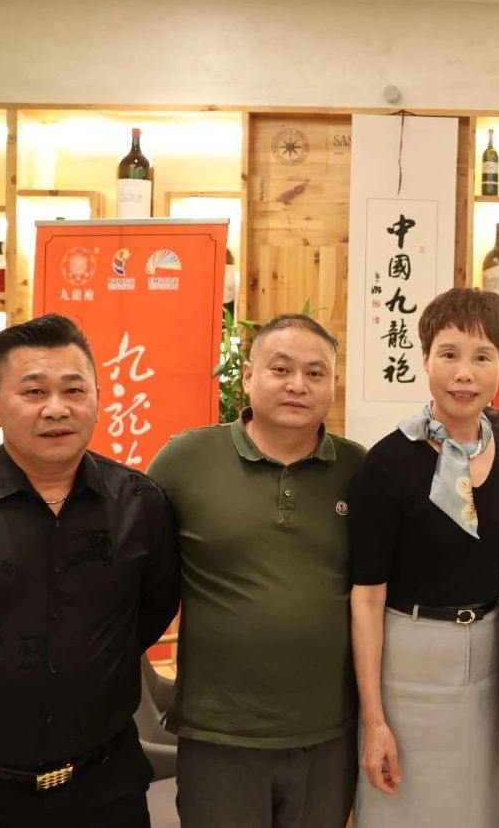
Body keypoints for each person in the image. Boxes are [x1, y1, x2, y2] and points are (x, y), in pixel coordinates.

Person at [0, 313, 179, 826]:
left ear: (98, 402)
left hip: (105, 787)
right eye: (34, 391)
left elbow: (154, 607)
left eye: (74, 389)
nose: (56, 408)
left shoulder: (140, 503)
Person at [146, 313, 365, 828]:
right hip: (219, 735)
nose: (298, 385)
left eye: (315, 373)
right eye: (281, 368)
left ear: (332, 385)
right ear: (248, 376)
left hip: (327, 735)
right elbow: (135, 572)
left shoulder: (359, 471)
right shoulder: (185, 459)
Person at [349, 287, 499, 828]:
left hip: (489, 655)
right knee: (403, 807)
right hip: (408, 660)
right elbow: (367, 596)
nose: (464, 373)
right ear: (425, 359)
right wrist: (374, 720)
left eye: (482, 356)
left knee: (478, 808)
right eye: (448, 354)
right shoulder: (387, 463)